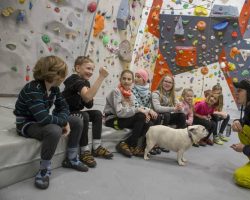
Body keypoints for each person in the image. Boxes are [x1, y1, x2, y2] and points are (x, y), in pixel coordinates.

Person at [14, 56, 88, 190]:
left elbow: (64, 107)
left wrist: (64, 120)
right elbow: (43, 118)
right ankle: (44, 169)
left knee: (76, 120)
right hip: (27, 123)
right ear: (52, 74)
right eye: (61, 75)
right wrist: (62, 122)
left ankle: (71, 158)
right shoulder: (33, 89)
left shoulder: (54, 89)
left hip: (41, 120)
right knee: (54, 130)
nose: (63, 78)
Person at [62, 56, 112, 168]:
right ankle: (84, 151)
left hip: (77, 112)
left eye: (92, 70)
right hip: (66, 114)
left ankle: (97, 147)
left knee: (97, 114)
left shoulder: (85, 83)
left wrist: (89, 96)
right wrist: (101, 76)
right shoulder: (73, 80)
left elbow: (89, 104)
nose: (90, 72)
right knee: (83, 115)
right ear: (78, 68)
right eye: (88, 68)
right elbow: (87, 96)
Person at [103, 69, 150, 158]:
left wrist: (145, 113)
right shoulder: (116, 91)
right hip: (112, 119)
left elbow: (135, 107)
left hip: (123, 119)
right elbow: (120, 112)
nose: (126, 81)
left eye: (129, 79)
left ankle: (124, 143)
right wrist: (138, 111)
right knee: (140, 116)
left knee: (147, 122)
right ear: (120, 80)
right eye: (124, 79)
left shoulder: (130, 94)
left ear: (132, 82)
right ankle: (132, 146)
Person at [132, 69, 161, 155]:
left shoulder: (149, 92)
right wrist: (147, 111)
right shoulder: (133, 90)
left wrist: (148, 112)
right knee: (148, 123)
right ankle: (141, 146)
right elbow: (136, 104)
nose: (136, 78)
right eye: (135, 76)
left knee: (157, 117)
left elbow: (148, 105)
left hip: (145, 112)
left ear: (144, 79)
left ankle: (151, 144)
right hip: (136, 113)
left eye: (138, 77)